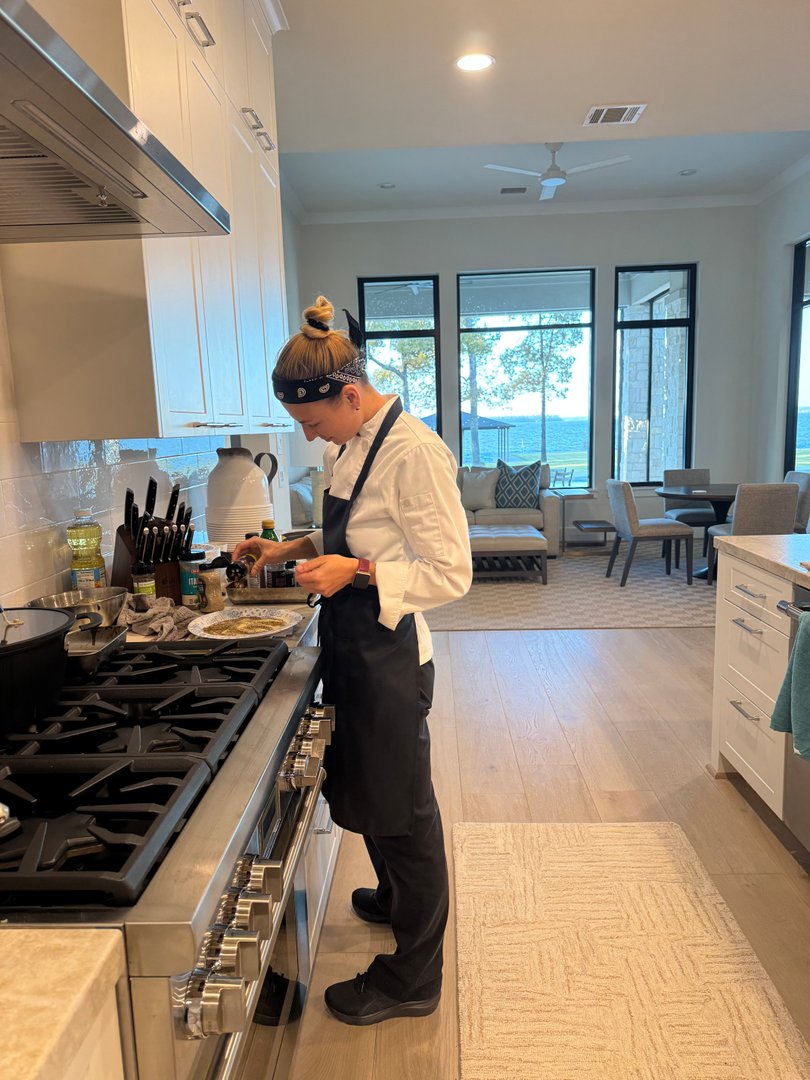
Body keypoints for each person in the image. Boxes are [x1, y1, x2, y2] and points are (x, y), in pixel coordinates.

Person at [231, 296, 472, 1026]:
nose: (309, 437)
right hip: (353, 648)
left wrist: (356, 573)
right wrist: (292, 548)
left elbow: (451, 572)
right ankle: (395, 899)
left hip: (393, 656)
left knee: (404, 813)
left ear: (350, 395)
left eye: (311, 423)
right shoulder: (350, 442)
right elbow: (353, 529)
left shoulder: (413, 452)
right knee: (369, 788)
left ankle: (413, 978)